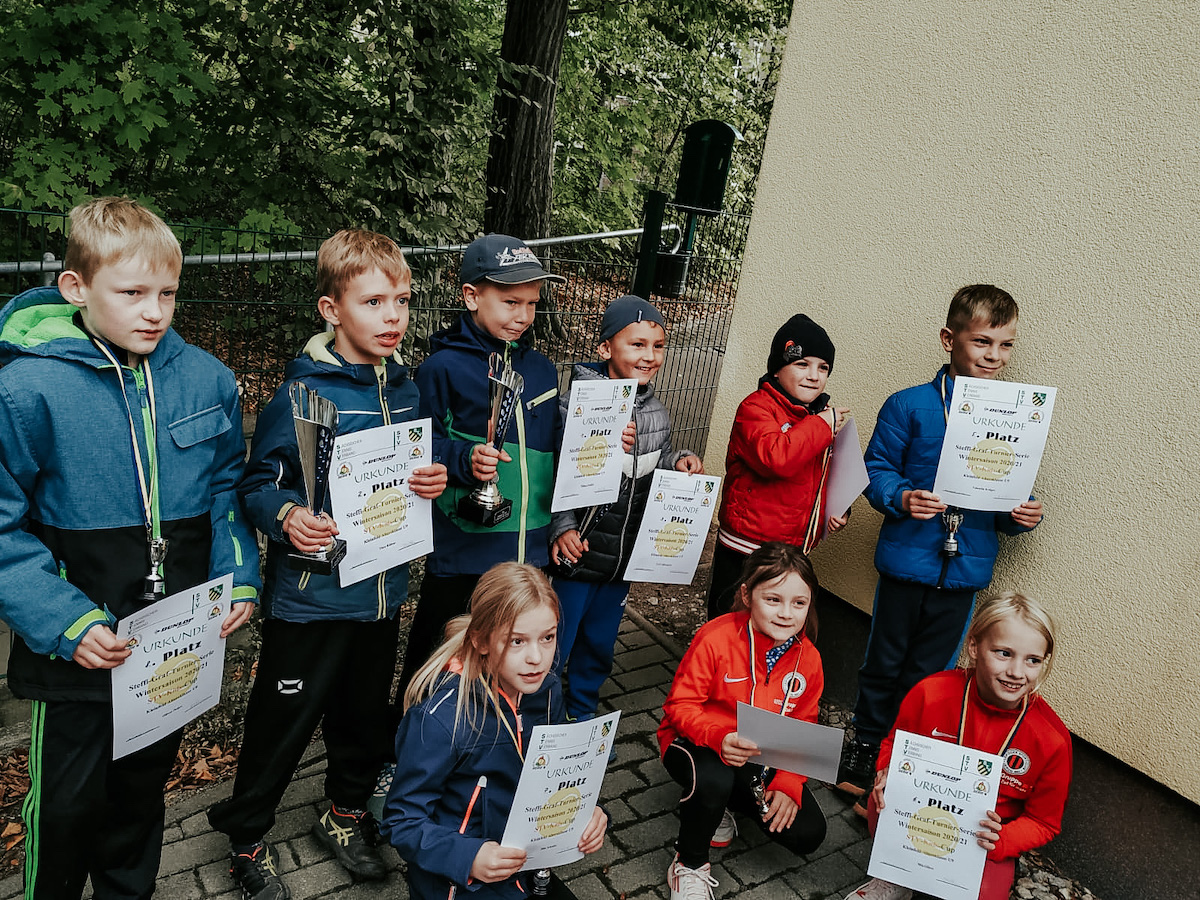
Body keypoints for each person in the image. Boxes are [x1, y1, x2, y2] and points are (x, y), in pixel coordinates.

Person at [0, 196, 261, 899]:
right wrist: (65, 620)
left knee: (140, 796)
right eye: (132, 293)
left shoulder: (206, 377)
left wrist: (238, 574)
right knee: (66, 810)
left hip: (169, 646)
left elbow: (225, 490)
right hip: (78, 651)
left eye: (167, 293)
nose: (154, 312)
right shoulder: (25, 389)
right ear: (76, 288)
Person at [206, 229, 447, 898]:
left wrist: (432, 480)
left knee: (362, 718)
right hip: (310, 601)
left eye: (401, 301)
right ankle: (247, 837)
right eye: (372, 302)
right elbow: (258, 484)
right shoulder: (302, 396)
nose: (392, 317)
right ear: (330, 309)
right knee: (282, 723)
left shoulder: (408, 390)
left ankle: (343, 815)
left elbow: (414, 472)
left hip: (381, 594)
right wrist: (288, 516)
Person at [836, 285, 1045, 810]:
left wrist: (1022, 514)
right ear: (950, 340)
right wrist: (902, 497)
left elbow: (1010, 488)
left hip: (964, 571)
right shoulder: (909, 404)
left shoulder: (1015, 413)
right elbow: (876, 469)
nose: (994, 356)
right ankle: (865, 746)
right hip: (907, 562)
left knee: (932, 676)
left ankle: (904, 763)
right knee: (883, 661)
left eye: (1005, 345)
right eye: (982, 342)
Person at [383, 562, 609, 900]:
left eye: (547, 637)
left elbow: (556, 774)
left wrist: (587, 812)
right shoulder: (440, 720)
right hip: (458, 884)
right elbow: (401, 821)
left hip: (524, 871)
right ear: (481, 639)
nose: (537, 657)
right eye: (517, 641)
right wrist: (469, 857)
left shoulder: (547, 690)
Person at [397, 234, 564, 690]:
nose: (523, 316)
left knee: (514, 661)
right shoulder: (441, 369)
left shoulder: (543, 370)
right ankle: (412, 730)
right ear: (471, 296)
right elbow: (415, 448)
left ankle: (506, 727)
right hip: (465, 554)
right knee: (441, 663)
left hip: (529, 552)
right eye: (511, 302)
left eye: (532, 304)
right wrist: (464, 458)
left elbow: (555, 445)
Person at [843, 591, 1072, 900]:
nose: (1017, 672)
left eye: (1032, 660)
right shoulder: (931, 693)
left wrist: (1003, 839)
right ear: (974, 646)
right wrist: (886, 770)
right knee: (882, 799)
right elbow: (894, 743)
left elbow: (1043, 821)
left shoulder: (1051, 738)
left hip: (981, 838)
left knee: (986, 894)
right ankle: (895, 875)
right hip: (922, 813)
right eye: (1004, 653)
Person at [549, 294, 703, 720]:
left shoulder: (657, 413)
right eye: (637, 344)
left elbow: (655, 461)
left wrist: (679, 461)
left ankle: (581, 714)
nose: (649, 356)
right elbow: (557, 471)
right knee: (556, 641)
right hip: (578, 554)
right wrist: (562, 526)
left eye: (658, 346)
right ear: (605, 348)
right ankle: (542, 716)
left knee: (599, 643)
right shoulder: (574, 404)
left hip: (622, 558)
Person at [660, 543, 828, 900]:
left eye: (799, 603)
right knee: (713, 779)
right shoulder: (715, 637)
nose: (786, 614)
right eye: (773, 600)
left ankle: (726, 805)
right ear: (747, 595)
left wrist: (789, 781)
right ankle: (689, 863)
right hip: (696, 742)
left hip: (759, 753)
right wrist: (718, 736)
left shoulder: (810, 659)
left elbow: (803, 727)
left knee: (808, 833)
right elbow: (680, 705)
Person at [706, 314, 850, 619]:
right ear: (777, 368)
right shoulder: (755, 408)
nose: (814, 376)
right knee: (730, 624)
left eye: (823, 367)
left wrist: (837, 508)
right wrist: (821, 426)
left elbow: (822, 475)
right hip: (746, 547)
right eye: (802, 364)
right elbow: (775, 458)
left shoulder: (818, 418)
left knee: (774, 626)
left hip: (791, 549)